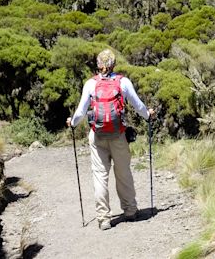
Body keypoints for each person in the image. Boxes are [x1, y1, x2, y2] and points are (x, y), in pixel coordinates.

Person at [67, 49, 156, 230]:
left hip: (97, 135)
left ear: (98, 65)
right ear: (114, 64)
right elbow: (138, 105)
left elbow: (80, 112)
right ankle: (130, 211)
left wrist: (73, 123)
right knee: (123, 173)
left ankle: (104, 218)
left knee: (100, 176)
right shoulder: (123, 82)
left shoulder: (90, 84)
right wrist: (148, 115)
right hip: (119, 134)